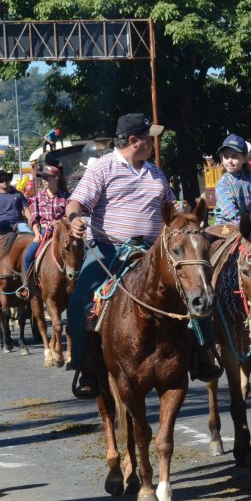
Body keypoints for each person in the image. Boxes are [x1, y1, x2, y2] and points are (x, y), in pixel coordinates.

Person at [64, 113, 175, 398]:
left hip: (152, 252)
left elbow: (172, 209)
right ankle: (86, 364)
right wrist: (76, 218)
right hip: (109, 249)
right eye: (149, 137)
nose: (153, 142)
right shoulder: (103, 167)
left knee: (193, 290)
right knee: (80, 302)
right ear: (134, 140)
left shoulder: (155, 172)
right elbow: (76, 202)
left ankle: (201, 354)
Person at [22, 164, 70, 284]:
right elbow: (33, 219)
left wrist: (60, 221)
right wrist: (37, 234)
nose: (44, 181)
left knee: (79, 252)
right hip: (44, 232)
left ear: (56, 178)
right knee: (27, 256)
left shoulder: (66, 196)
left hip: (62, 232)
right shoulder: (39, 197)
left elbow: (70, 215)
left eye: (47, 178)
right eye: (43, 178)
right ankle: (28, 285)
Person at [212, 133, 251, 225]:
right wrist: (246, 225)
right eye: (226, 156)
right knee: (204, 238)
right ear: (222, 159)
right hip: (227, 225)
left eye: (234, 156)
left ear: (245, 159)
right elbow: (230, 210)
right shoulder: (222, 183)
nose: (229, 160)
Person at [0, 168, 32, 241]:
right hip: (2, 224)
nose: (4, 182)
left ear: (9, 180)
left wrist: (31, 219)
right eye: (1, 180)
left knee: (31, 237)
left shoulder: (18, 194)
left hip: (19, 224)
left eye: (6, 179)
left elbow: (26, 209)